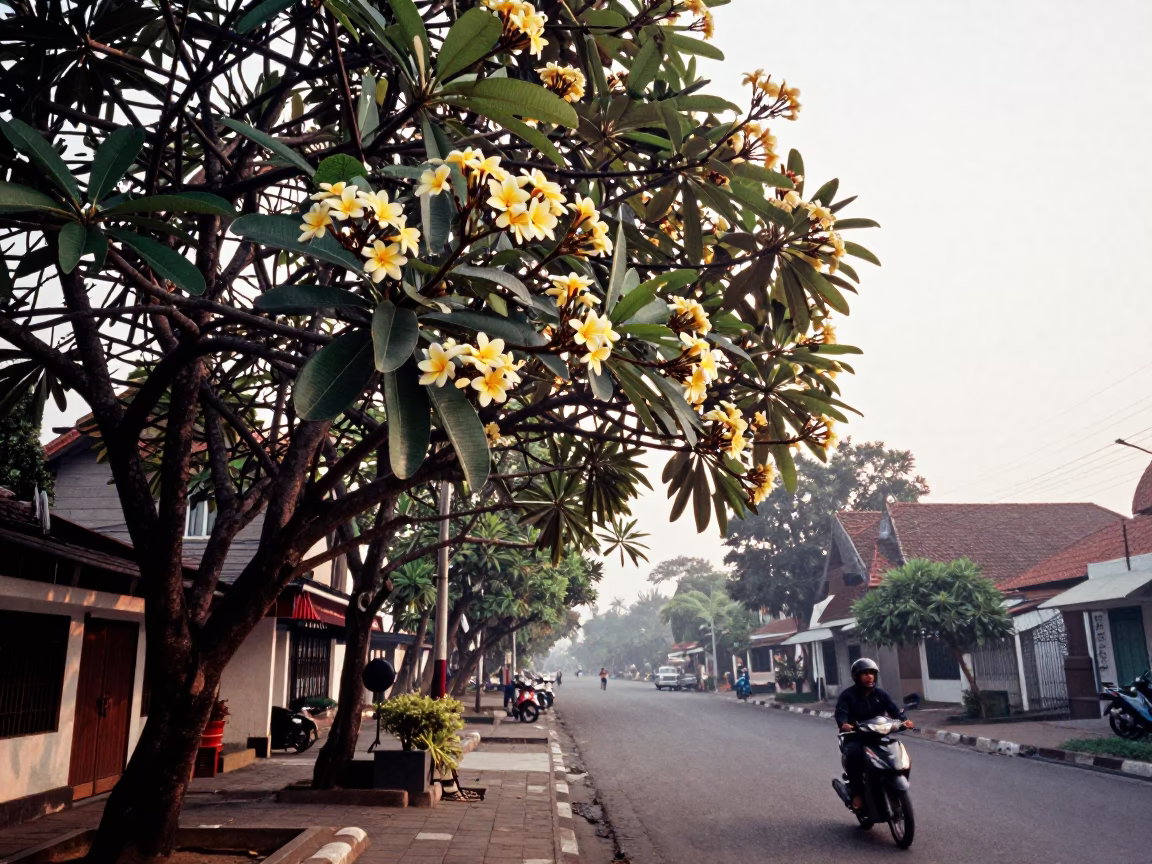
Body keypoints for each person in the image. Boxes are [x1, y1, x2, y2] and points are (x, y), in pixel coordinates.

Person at [834, 658, 913, 811]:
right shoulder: (848, 695)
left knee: (899, 753)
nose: (869, 677)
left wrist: (904, 721)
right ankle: (857, 793)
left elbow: (894, 711)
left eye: (872, 673)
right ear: (856, 677)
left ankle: (896, 783)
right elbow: (841, 712)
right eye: (865, 674)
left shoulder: (880, 694)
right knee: (853, 755)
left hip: (879, 735)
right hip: (856, 736)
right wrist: (844, 723)